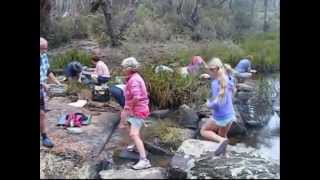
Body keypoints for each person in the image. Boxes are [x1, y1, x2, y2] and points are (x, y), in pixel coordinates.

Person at [119, 57, 151, 170]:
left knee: (134, 133)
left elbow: (137, 97)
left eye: (123, 68)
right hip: (137, 109)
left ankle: (144, 160)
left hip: (138, 110)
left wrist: (129, 107)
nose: (122, 70)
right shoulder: (133, 77)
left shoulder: (134, 80)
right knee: (129, 124)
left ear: (129, 68)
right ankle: (136, 146)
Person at [200, 57, 236, 156]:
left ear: (214, 70)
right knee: (223, 135)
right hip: (230, 115)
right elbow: (218, 78)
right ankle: (225, 154)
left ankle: (221, 140)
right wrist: (209, 77)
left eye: (209, 70)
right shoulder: (227, 77)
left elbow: (217, 103)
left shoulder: (216, 83)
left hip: (221, 116)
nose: (209, 72)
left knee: (204, 131)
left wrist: (208, 105)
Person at [40, 37, 61, 148]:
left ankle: (44, 137)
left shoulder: (44, 56)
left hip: (41, 91)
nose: (45, 51)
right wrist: (42, 84)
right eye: (42, 49)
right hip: (41, 86)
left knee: (42, 114)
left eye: (46, 48)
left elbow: (47, 71)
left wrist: (57, 82)